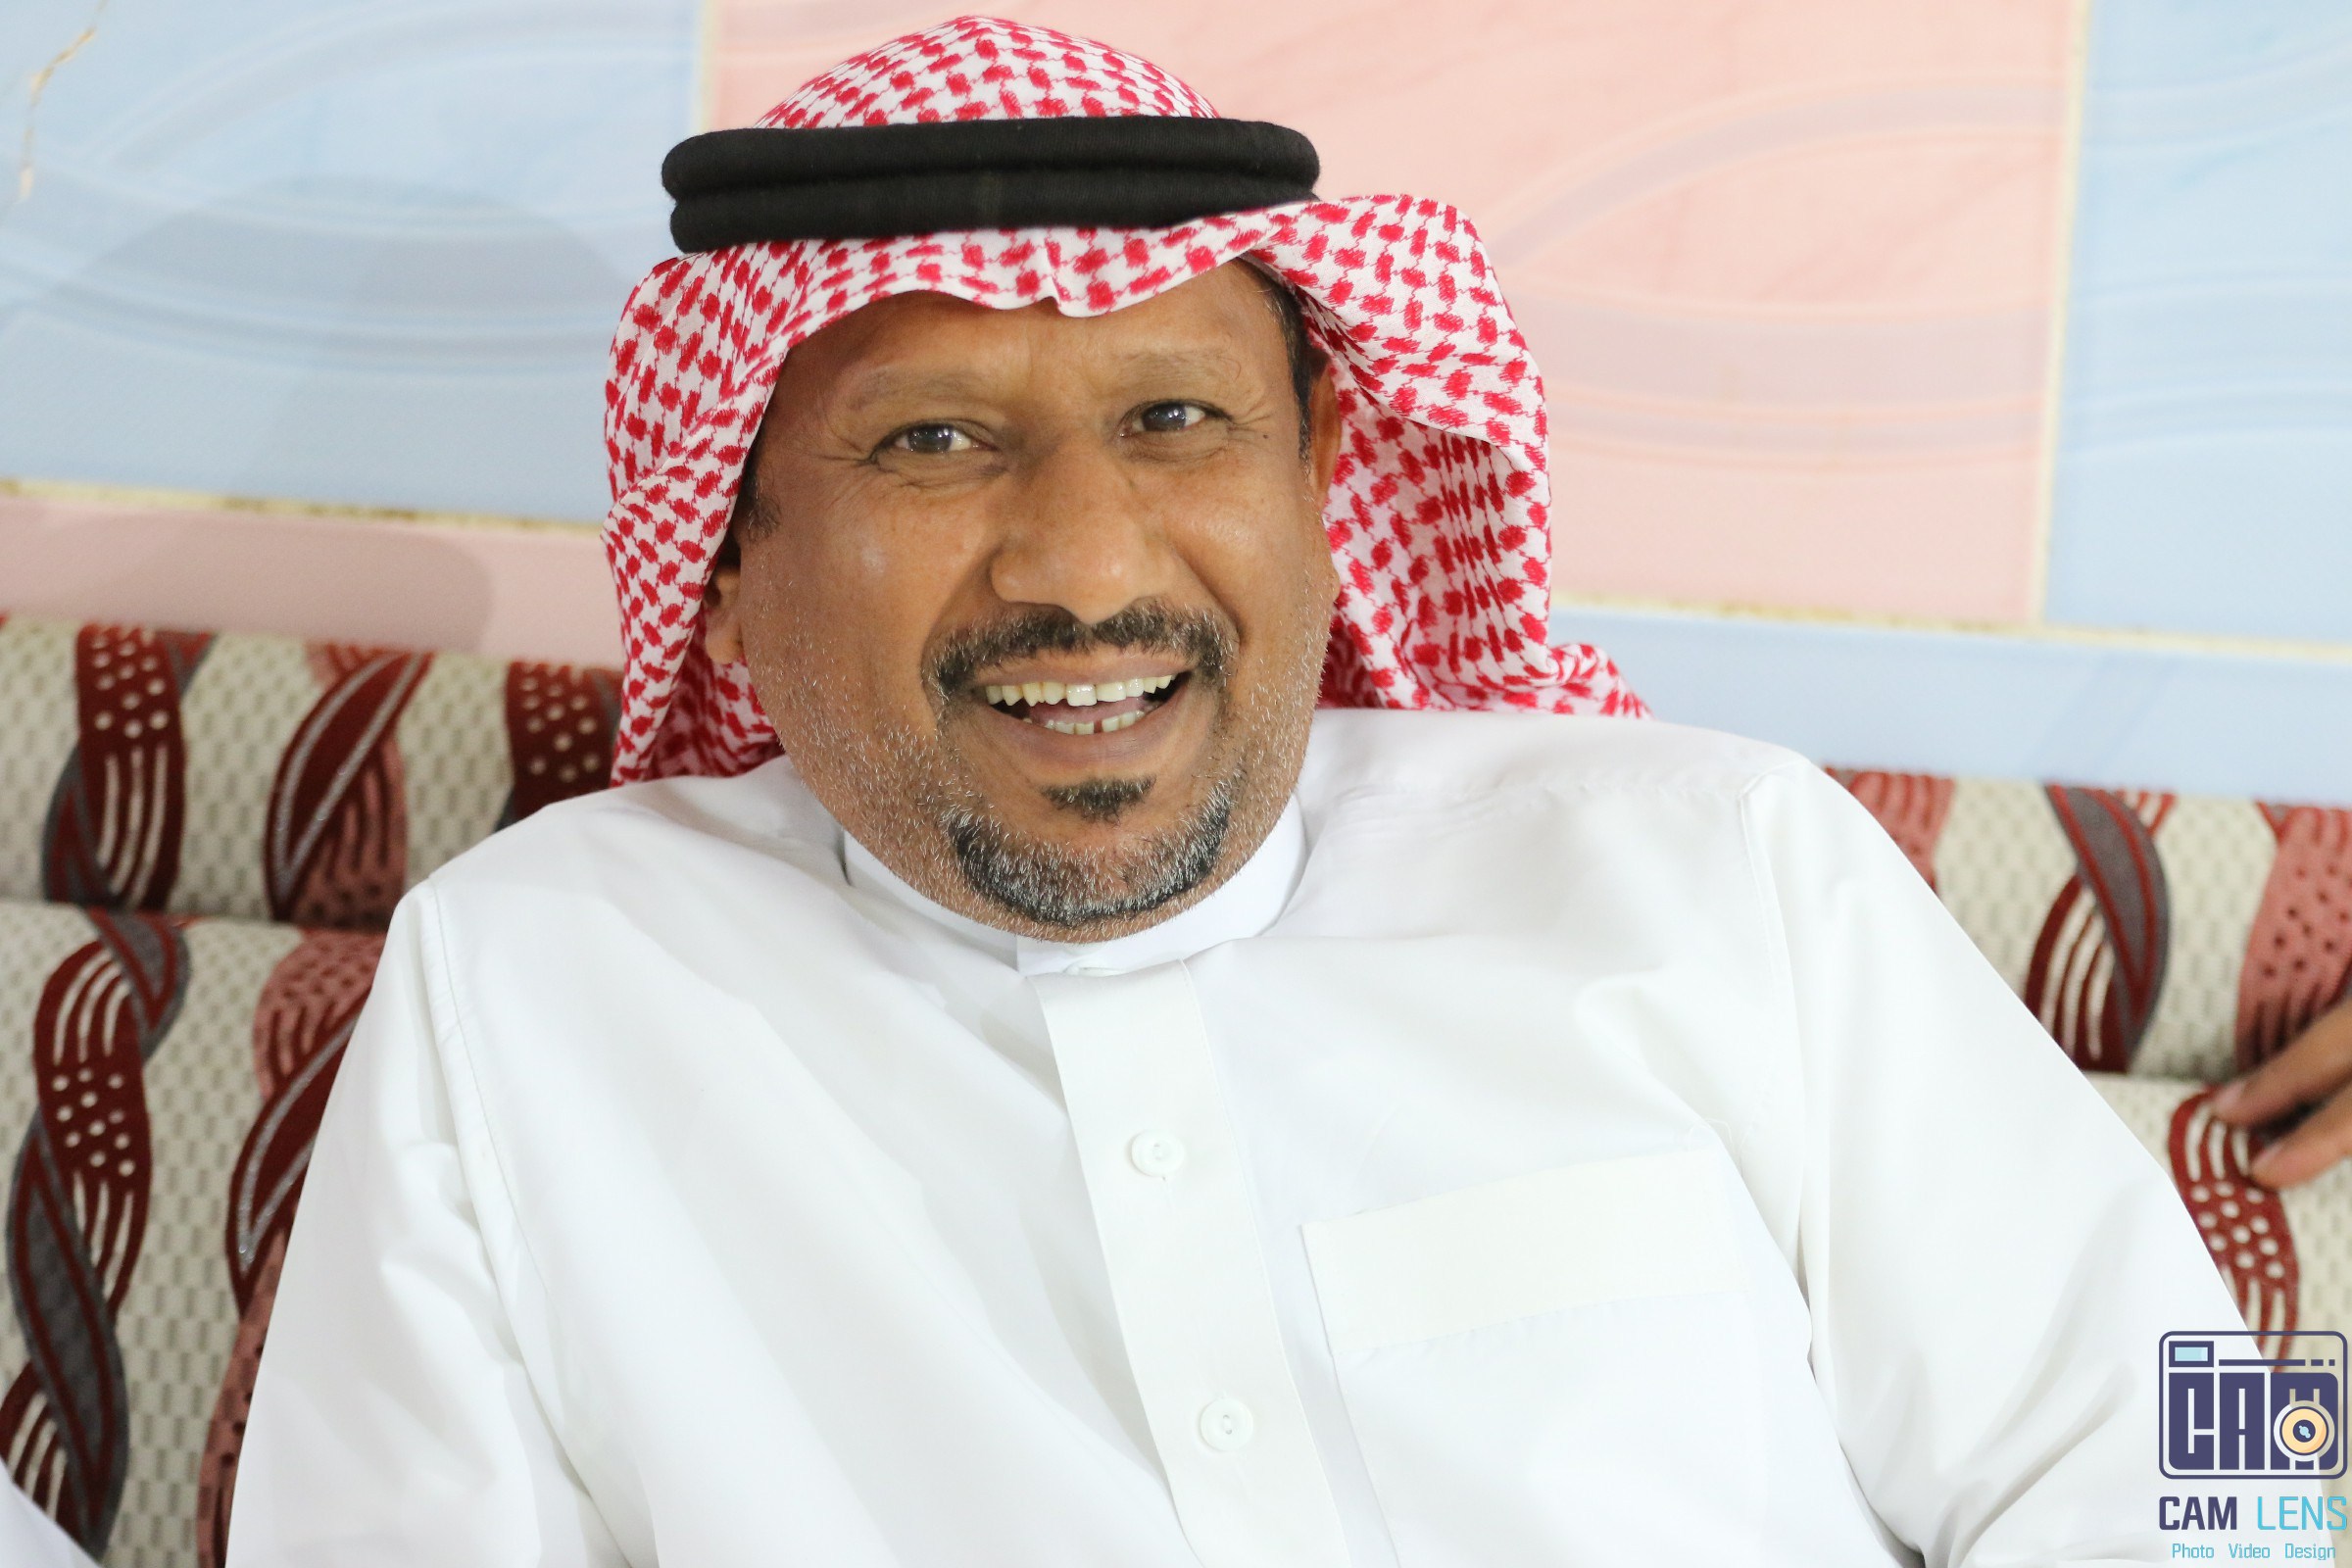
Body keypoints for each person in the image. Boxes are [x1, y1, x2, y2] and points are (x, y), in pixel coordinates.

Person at [226, 18, 2313, 1566]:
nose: (1085, 566)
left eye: (1175, 420)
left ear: (1324, 472)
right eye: (934, 444)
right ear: (731, 558)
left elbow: (2211, 1464)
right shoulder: (531, 984)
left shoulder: (1716, 862)